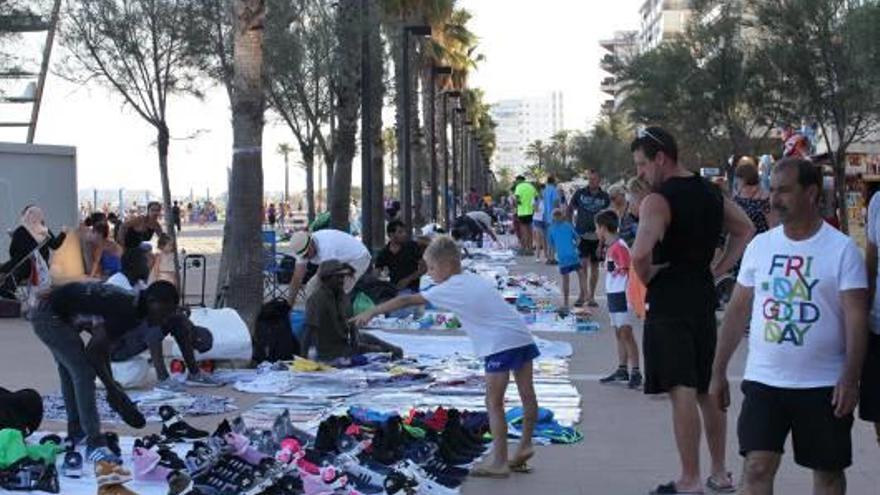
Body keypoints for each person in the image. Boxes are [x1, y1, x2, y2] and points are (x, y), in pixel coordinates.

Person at [710, 157, 868, 495]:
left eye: (783, 191)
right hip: (764, 380)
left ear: (811, 193)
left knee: (827, 474)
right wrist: (718, 370)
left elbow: (857, 317)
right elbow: (737, 312)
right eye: (772, 189)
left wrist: (851, 378)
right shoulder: (761, 247)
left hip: (824, 384)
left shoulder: (841, 250)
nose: (773, 198)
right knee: (756, 467)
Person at [631, 127, 754, 494]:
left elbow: (638, 253)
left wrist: (648, 274)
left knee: (681, 389)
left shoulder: (657, 200)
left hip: (670, 300)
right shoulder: (710, 191)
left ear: (661, 158)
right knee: (707, 385)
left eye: (641, 164)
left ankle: (689, 479)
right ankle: (719, 472)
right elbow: (744, 229)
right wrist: (718, 268)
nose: (640, 173)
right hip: (702, 297)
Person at [351, 237, 539, 478]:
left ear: (448, 265)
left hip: (499, 343)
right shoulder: (469, 278)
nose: (429, 273)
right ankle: (525, 445)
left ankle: (500, 461)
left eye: (431, 268)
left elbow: (406, 299)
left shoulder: (451, 286)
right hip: (520, 334)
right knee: (527, 394)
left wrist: (372, 311)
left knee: (494, 403)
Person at [33, 281, 181, 464]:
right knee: (83, 373)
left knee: (69, 370)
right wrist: (113, 389)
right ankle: (94, 442)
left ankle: (77, 432)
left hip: (56, 312)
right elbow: (93, 352)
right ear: (152, 301)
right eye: (164, 312)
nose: (164, 319)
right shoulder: (128, 312)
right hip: (50, 317)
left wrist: (113, 387)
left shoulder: (133, 303)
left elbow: (102, 350)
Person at [304, 260, 403, 361]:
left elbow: (351, 324)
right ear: (326, 279)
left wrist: (356, 342)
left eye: (342, 277)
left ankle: (392, 351)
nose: (341, 280)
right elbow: (309, 330)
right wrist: (303, 358)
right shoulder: (317, 299)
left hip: (346, 342)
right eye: (338, 277)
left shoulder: (341, 296)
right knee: (378, 351)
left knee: (390, 348)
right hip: (333, 350)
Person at [594, 210, 642, 389]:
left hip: (622, 294)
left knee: (626, 332)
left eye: (597, 228)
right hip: (614, 293)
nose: (597, 231)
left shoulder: (619, 247)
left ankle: (636, 370)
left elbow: (627, 268)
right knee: (618, 332)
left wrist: (616, 268)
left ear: (604, 228)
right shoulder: (611, 246)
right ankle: (622, 368)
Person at [287, 229, 372, 306]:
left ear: (311, 244)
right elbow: (297, 278)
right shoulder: (301, 250)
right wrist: (289, 306)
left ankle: (338, 317)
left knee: (339, 288)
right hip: (339, 261)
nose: (306, 258)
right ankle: (315, 314)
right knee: (310, 287)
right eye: (303, 256)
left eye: (306, 254)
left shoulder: (326, 247)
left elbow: (327, 276)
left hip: (358, 257)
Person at [567, 169, 611, 307]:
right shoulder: (580, 193)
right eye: (589, 179)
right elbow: (569, 208)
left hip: (598, 237)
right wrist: (570, 227)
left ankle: (591, 297)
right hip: (582, 236)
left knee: (595, 267)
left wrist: (605, 238)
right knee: (582, 266)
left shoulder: (604, 197)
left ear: (599, 180)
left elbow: (609, 217)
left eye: (594, 179)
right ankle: (582, 295)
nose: (591, 181)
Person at [1, 205, 67, 295]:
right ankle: (7, 293)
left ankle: (6, 294)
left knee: (10, 272)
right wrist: (63, 233)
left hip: (25, 265)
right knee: (12, 272)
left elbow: (12, 251)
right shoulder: (44, 231)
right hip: (40, 267)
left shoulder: (20, 230)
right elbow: (55, 245)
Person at [374, 220, 425, 294]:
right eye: (400, 232)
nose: (404, 234)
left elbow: (424, 268)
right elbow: (376, 272)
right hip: (395, 289)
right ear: (391, 234)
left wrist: (408, 279)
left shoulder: (411, 247)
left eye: (404, 232)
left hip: (414, 289)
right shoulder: (384, 253)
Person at [546, 208, 582, 309]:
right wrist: (575, 247)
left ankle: (566, 302)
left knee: (565, 280)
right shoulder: (568, 225)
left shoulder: (551, 229)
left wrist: (550, 257)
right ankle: (584, 295)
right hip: (573, 254)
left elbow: (551, 246)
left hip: (562, 257)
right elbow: (578, 238)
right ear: (562, 216)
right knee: (581, 273)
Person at [513, 176, 539, 256]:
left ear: (519, 180)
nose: (516, 182)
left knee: (523, 231)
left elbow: (516, 199)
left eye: (516, 181)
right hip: (531, 212)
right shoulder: (531, 186)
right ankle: (530, 249)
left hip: (522, 212)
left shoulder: (518, 187)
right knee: (530, 231)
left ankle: (524, 248)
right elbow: (537, 197)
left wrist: (518, 205)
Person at [542, 176, 560, 264]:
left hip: (546, 217)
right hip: (554, 217)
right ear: (553, 181)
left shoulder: (545, 191)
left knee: (548, 237)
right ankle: (552, 258)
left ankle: (549, 257)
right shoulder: (554, 190)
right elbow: (556, 202)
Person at [532, 183, 548, 263]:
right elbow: (536, 209)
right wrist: (538, 200)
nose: (543, 192)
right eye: (542, 190)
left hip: (545, 219)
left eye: (545, 190)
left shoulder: (547, 198)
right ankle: (538, 256)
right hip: (537, 220)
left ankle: (546, 256)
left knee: (545, 239)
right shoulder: (535, 198)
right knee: (539, 238)